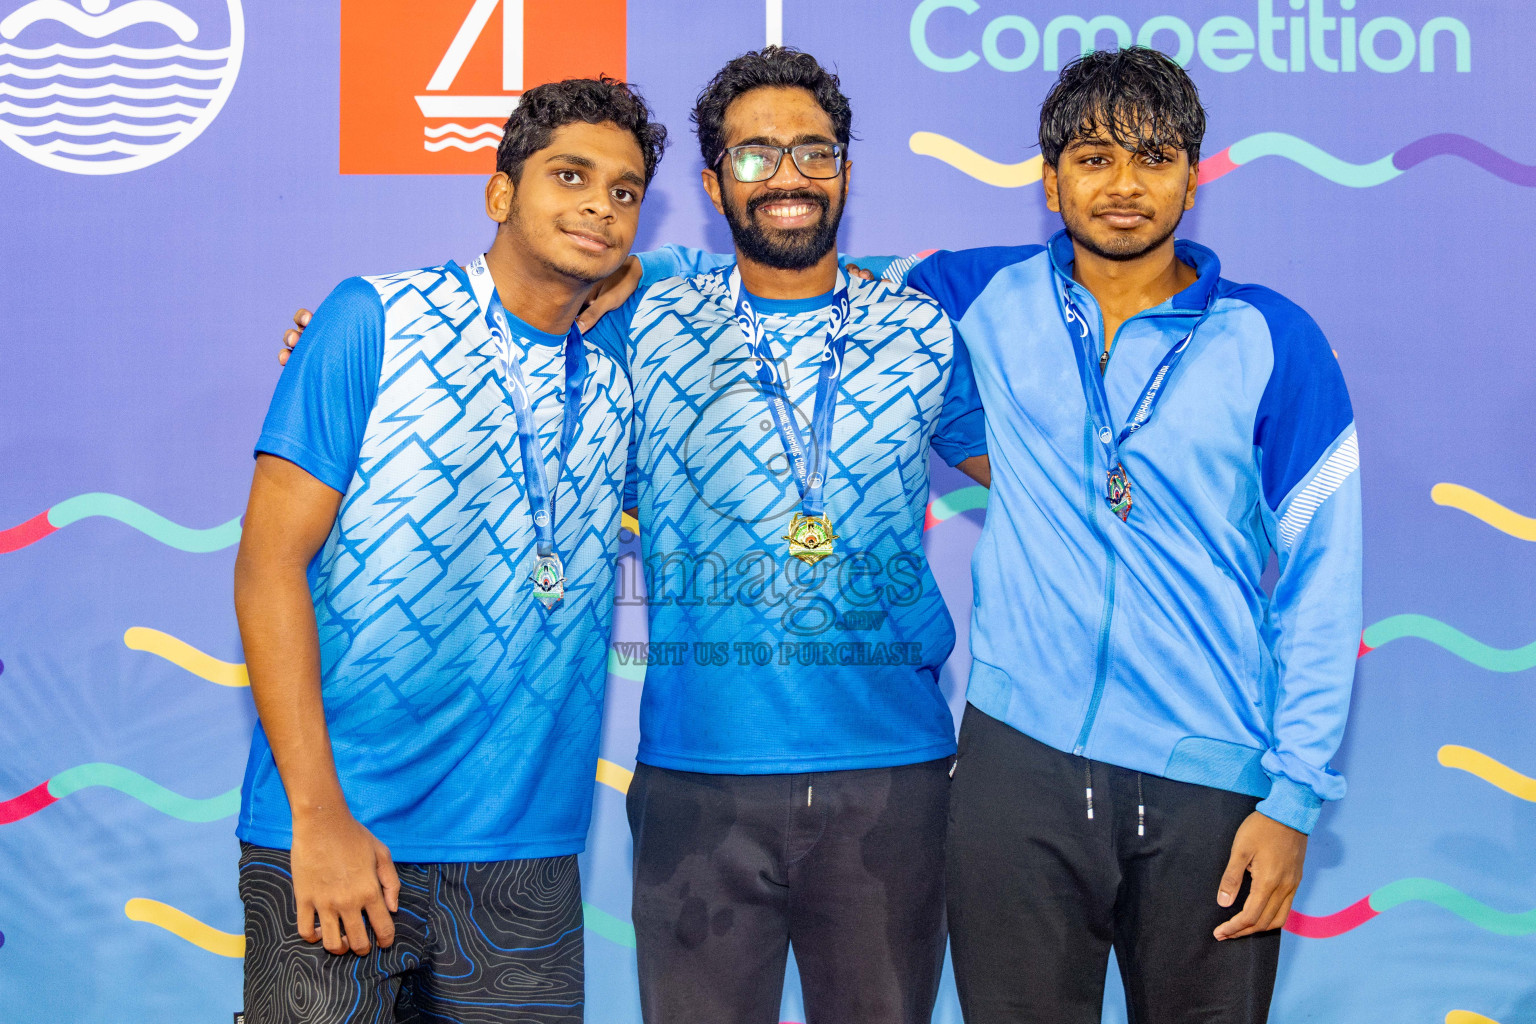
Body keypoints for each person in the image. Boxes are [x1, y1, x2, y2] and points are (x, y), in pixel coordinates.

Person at [282, 45, 987, 1024]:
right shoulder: (642, 307)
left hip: (893, 782)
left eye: (814, 153)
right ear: (710, 184)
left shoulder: (922, 331)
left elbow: (1042, 479)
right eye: (753, 156)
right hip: (695, 788)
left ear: (847, 170)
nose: (786, 176)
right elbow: (509, 310)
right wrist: (336, 343)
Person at [901, 48, 1362, 1023]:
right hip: (1016, 767)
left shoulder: (1275, 339)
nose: (1122, 186)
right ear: (1049, 176)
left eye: (1153, 158)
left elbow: (1324, 579)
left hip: (1211, 782)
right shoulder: (972, 293)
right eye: (1095, 156)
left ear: (1194, 177)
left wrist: (1291, 801)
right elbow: (807, 290)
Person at [233, 77, 666, 1024]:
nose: (601, 203)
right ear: (500, 193)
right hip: (340, 837)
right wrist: (318, 819)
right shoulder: (371, 320)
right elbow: (268, 566)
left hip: (526, 864)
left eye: (626, 191)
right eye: (570, 175)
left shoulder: (624, 384)